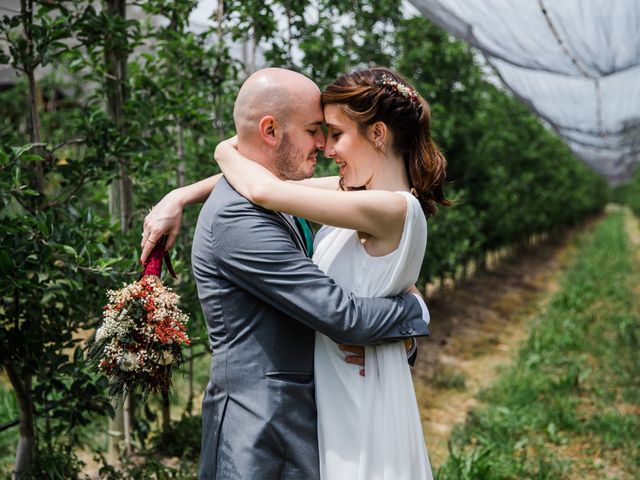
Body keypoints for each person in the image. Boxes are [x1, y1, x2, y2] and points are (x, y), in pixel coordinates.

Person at [142, 67, 431, 480]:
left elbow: (262, 185)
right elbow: (343, 316)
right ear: (271, 131)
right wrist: (414, 313)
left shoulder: (312, 197)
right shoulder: (238, 218)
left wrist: (193, 184)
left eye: (332, 133)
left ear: (379, 134)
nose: (324, 146)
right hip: (261, 432)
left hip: (323, 412)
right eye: (316, 130)